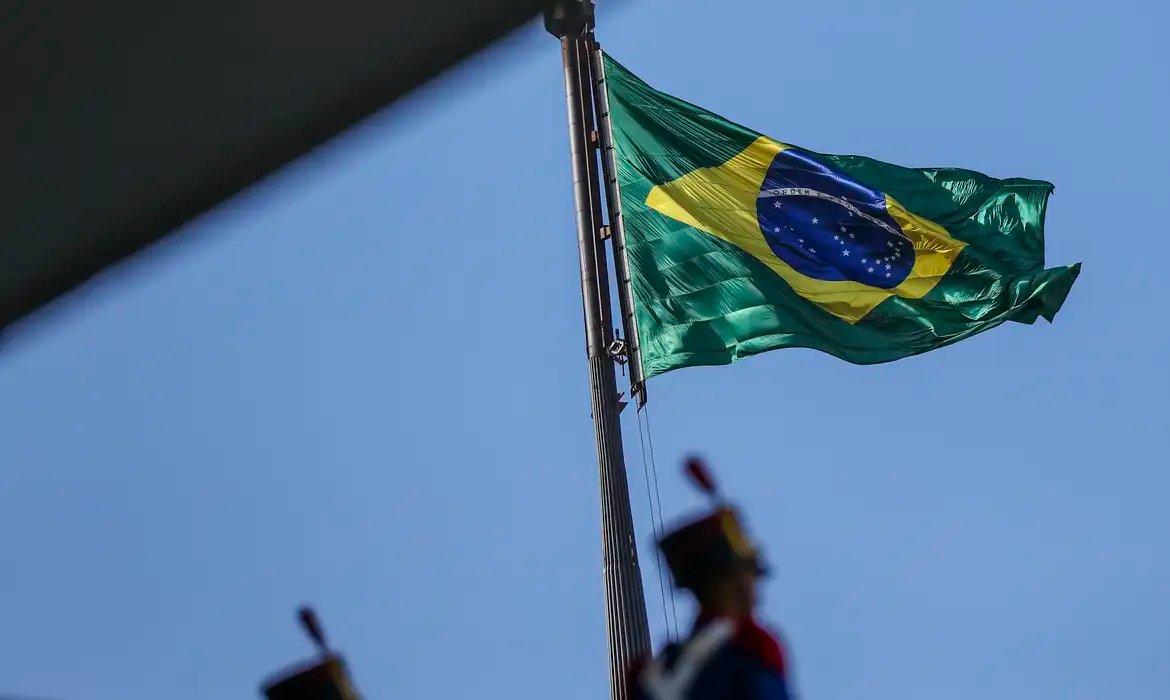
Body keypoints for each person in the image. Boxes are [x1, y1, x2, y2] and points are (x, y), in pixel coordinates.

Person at [632, 458, 792, 700]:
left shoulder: (654, 675)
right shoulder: (752, 647)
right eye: (747, 572)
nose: (754, 584)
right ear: (728, 581)